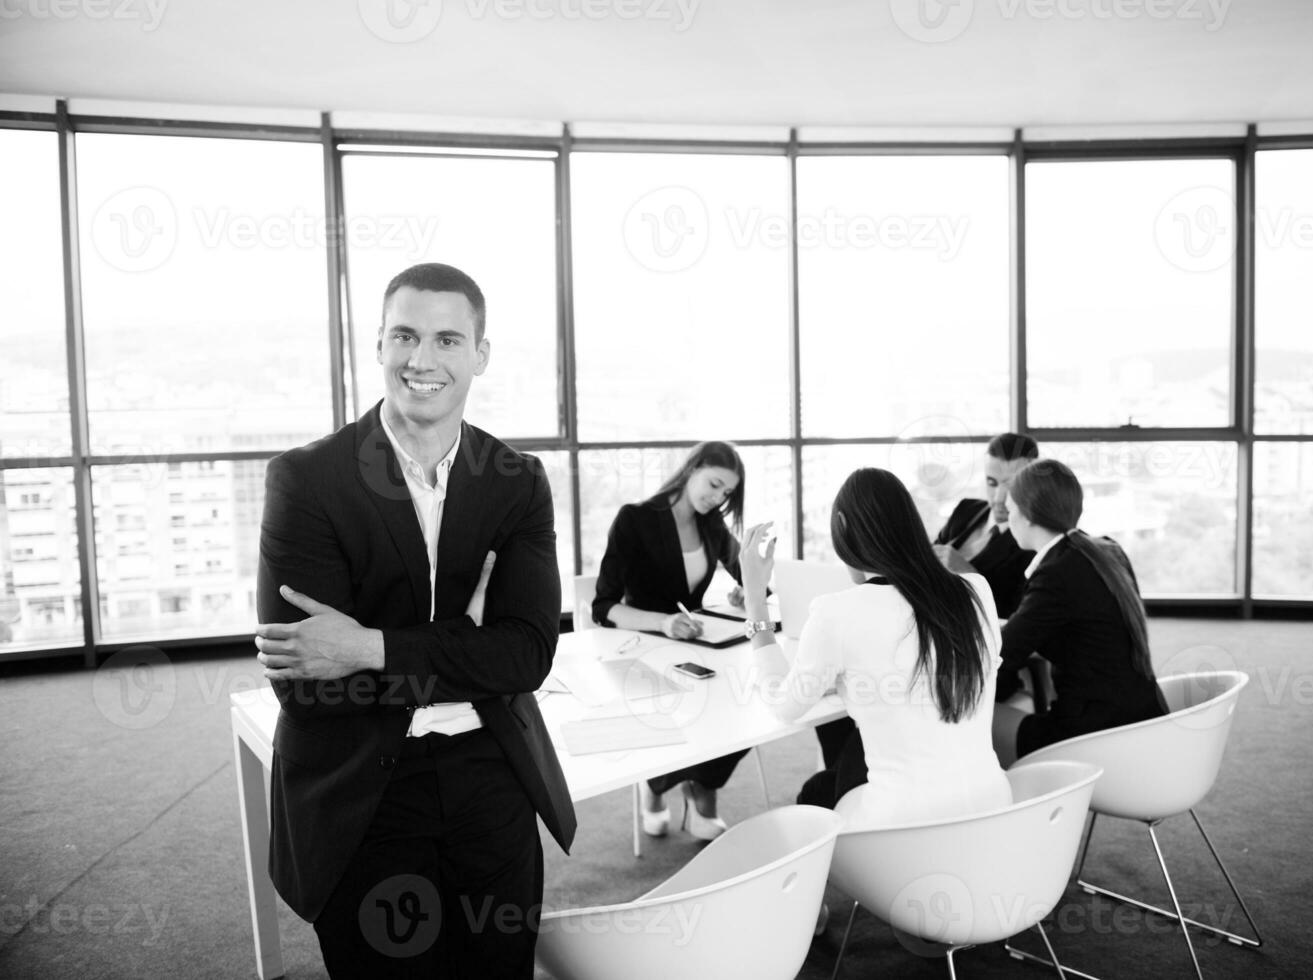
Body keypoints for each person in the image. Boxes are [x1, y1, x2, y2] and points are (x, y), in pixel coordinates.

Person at [254, 263, 575, 978]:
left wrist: (367, 645)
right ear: (377, 344)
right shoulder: (307, 481)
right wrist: (465, 646)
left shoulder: (516, 481)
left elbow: (525, 657)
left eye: (448, 340)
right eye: (404, 335)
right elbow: (307, 685)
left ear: (480, 356)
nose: (421, 360)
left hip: (488, 770)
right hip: (363, 782)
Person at [739, 467, 1011, 829]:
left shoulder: (836, 611)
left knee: (814, 797)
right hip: (992, 812)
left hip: (904, 832)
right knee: (838, 773)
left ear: (843, 526)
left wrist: (755, 600)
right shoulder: (977, 590)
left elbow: (783, 705)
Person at [591, 440, 750, 840]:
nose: (716, 499)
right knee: (675, 708)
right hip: (645, 645)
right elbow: (604, 606)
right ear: (692, 468)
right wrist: (664, 623)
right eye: (713, 485)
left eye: (726, 493)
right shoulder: (636, 519)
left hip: (696, 646)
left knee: (742, 701)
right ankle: (657, 787)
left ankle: (702, 791)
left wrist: (746, 591)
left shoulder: (711, 524)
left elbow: (747, 574)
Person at [992, 458, 1169, 766]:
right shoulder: (1105, 550)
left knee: (976, 722)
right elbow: (1071, 627)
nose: (1008, 517)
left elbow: (1002, 656)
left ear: (1029, 514)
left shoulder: (1056, 573)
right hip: (1147, 721)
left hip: (1096, 736)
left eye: (1010, 508)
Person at [932, 432, 1040, 618]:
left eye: (1012, 485)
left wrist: (969, 574)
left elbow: (1015, 615)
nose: (999, 498)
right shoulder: (967, 509)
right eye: (991, 483)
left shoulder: (1033, 541)